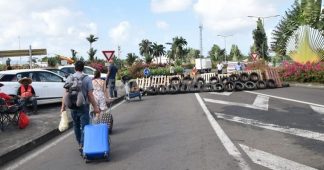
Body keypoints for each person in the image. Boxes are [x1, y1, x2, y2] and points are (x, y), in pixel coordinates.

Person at [61, 61, 100, 153]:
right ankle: (82, 144)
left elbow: (65, 94)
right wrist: (95, 107)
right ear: (83, 68)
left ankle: (79, 143)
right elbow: (90, 95)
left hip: (72, 106)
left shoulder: (69, 78)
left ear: (75, 68)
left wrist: (63, 107)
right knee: (85, 126)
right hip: (83, 106)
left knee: (76, 125)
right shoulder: (87, 79)